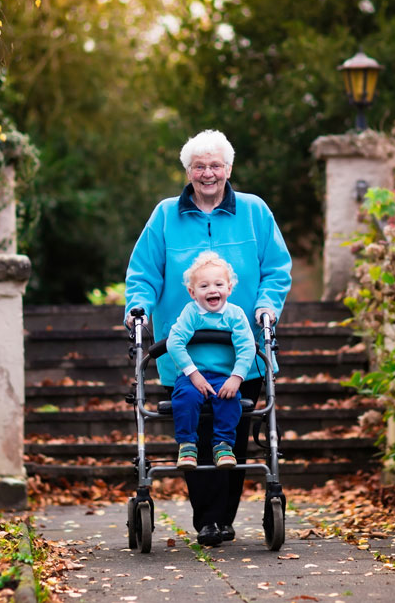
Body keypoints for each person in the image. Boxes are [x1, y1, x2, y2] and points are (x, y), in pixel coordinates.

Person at [124, 128, 292, 547]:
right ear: (188, 170)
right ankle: (207, 520)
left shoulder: (254, 211)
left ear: (229, 168)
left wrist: (268, 304)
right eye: (199, 166)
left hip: (242, 349)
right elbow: (143, 273)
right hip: (183, 354)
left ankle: (222, 517)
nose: (208, 173)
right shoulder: (165, 215)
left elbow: (276, 267)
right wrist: (137, 309)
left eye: (215, 165)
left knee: (233, 429)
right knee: (193, 431)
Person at [168, 251, 256, 471]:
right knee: (185, 397)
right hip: (192, 377)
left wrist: (237, 377)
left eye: (218, 284)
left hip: (223, 376)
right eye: (204, 286)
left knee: (229, 397)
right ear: (192, 292)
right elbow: (174, 342)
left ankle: (223, 445)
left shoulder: (235, 315)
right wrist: (193, 374)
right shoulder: (191, 313)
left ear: (229, 288)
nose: (212, 290)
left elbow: (246, 346)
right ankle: (187, 445)